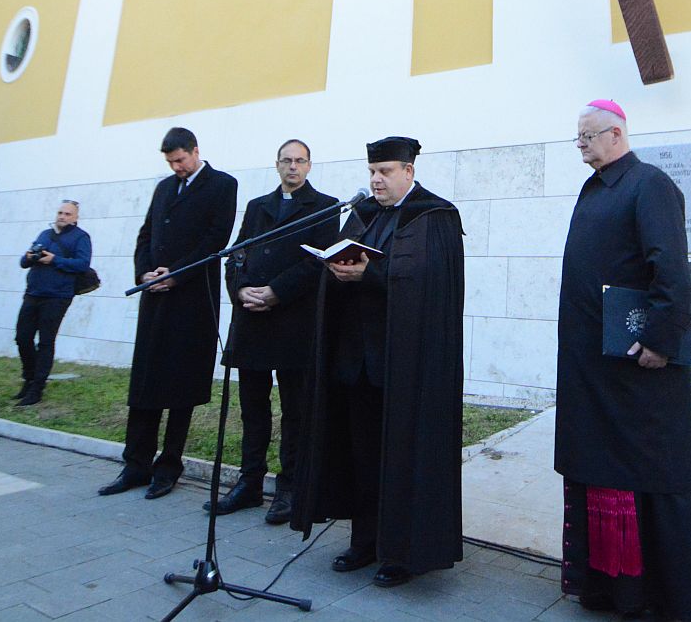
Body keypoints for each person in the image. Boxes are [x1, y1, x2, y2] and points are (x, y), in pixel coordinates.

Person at [556, 100, 691, 621]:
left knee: (647, 471)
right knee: (599, 468)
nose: (580, 145)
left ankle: (660, 594)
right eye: (577, 138)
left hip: (636, 367)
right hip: (594, 367)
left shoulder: (649, 184)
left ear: (617, 134)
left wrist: (660, 340)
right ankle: (609, 588)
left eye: (587, 136)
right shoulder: (597, 187)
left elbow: (670, 268)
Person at [291, 136, 465, 589]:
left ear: (408, 171)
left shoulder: (435, 216)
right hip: (356, 362)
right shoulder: (363, 213)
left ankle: (400, 552)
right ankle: (363, 540)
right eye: (372, 171)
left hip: (406, 365)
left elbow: (431, 285)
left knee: (400, 457)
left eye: (385, 171)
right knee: (361, 455)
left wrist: (373, 274)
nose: (376, 179)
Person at [99, 127, 236, 500]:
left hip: (190, 299)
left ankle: (169, 465)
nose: (176, 167)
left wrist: (175, 274)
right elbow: (146, 234)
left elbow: (216, 239)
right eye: (170, 162)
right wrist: (144, 273)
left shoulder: (222, 185)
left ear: (195, 151)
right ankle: (136, 463)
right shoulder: (163, 188)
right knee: (145, 383)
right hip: (154, 296)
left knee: (180, 385)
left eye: (180, 160)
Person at [206, 139, 337, 524]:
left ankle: (290, 487)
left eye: (300, 161)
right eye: (286, 161)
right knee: (253, 409)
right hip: (252, 322)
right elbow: (236, 254)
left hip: (293, 324)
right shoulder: (258, 206)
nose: (293, 167)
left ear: (310, 166)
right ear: (276, 165)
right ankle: (249, 483)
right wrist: (240, 288)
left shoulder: (325, 207)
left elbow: (319, 263)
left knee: (294, 410)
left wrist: (277, 292)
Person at [14, 199, 93, 407]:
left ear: (76, 218)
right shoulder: (44, 234)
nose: (62, 216)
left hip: (57, 296)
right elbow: (23, 262)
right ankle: (28, 378)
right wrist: (30, 257)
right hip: (33, 293)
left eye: (68, 214)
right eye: (60, 212)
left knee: (46, 341)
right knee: (22, 337)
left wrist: (54, 260)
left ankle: (37, 387)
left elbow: (83, 264)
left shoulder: (81, 237)